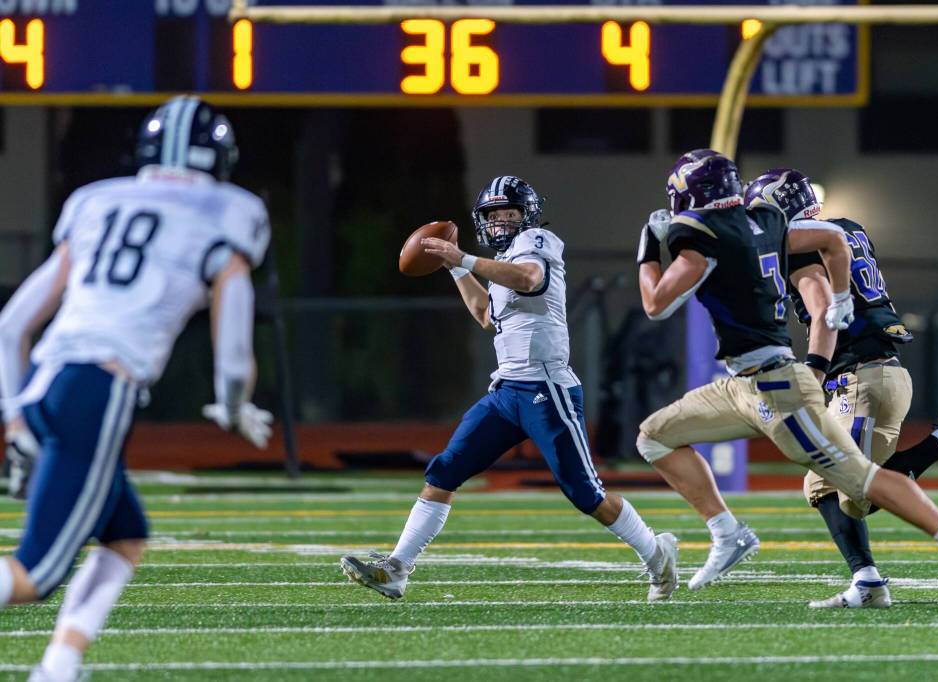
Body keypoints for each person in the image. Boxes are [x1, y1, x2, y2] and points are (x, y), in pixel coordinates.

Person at [634, 149, 938, 610]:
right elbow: (831, 238)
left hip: (780, 384)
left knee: (856, 481)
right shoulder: (764, 219)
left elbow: (655, 304)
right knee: (655, 437)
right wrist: (840, 296)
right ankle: (728, 533)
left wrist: (647, 248)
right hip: (741, 384)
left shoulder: (709, 233)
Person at [0, 96, 274, 682]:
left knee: (126, 536)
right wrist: (233, 405)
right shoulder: (231, 211)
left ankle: (59, 666)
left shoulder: (97, 200)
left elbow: (11, 326)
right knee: (33, 577)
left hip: (47, 384)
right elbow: (231, 354)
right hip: (98, 388)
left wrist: (17, 418)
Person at [340, 175, 678, 601]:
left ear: (527, 216)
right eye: (493, 215)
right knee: (444, 471)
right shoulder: (499, 262)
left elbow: (529, 280)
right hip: (506, 392)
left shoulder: (537, 241)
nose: (500, 222)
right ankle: (397, 568)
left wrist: (464, 257)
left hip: (547, 387)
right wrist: (454, 268)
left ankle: (656, 554)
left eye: (508, 213)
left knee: (586, 494)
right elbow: (485, 313)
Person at [744, 168, 938, 608]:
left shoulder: (802, 245)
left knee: (852, 490)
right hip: (875, 375)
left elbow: (822, 306)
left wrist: (812, 372)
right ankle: (868, 581)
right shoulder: (845, 230)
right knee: (831, 485)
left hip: (863, 379)